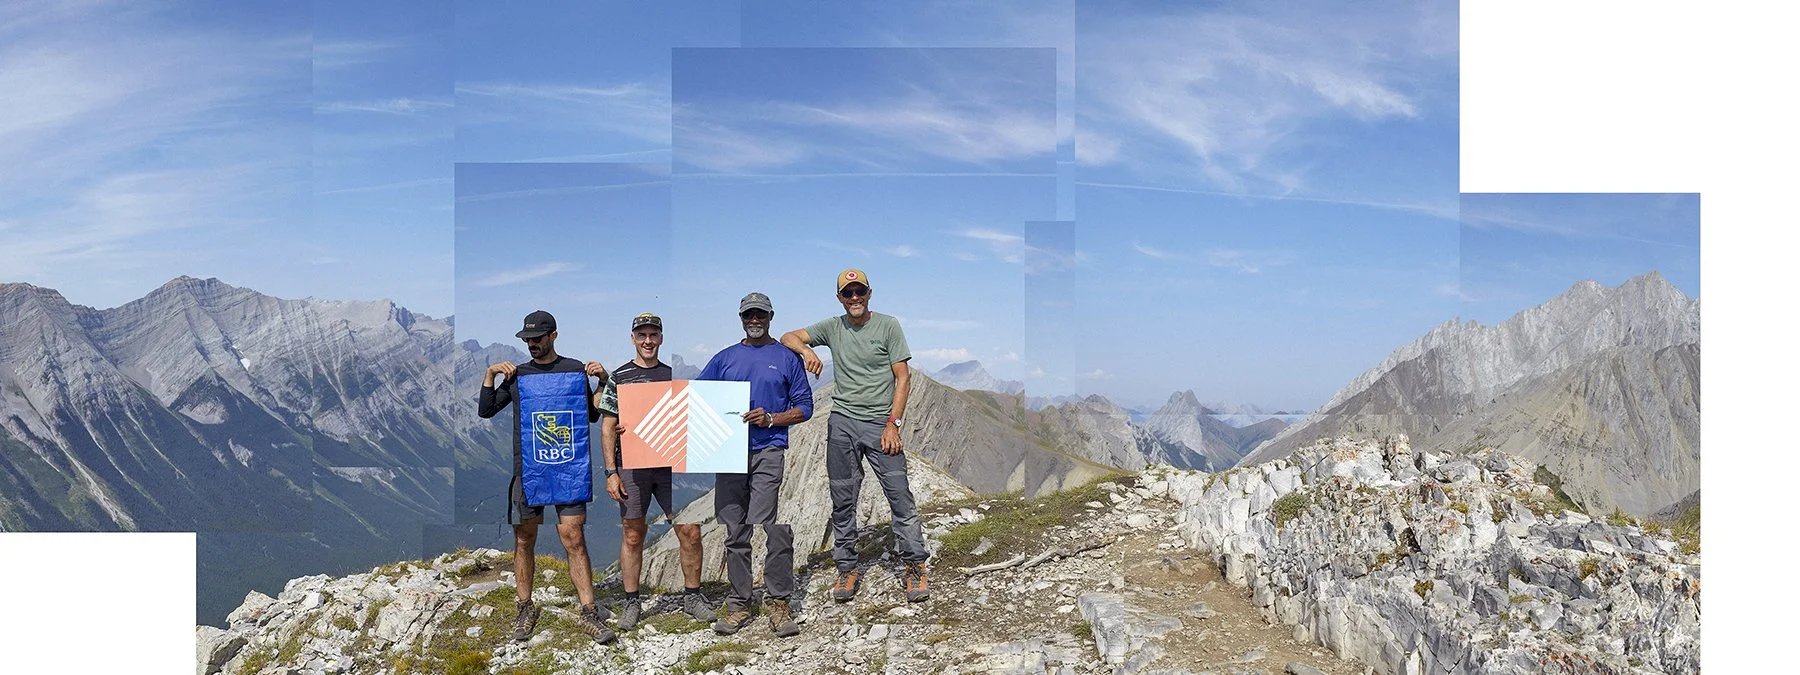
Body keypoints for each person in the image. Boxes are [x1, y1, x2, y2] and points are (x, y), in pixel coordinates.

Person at [779, 269, 930, 603]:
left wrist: (894, 424)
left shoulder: (888, 326)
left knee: (899, 495)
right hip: (842, 423)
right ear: (840, 298)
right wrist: (807, 352)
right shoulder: (833, 327)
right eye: (848, 293)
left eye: (859, 291)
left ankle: (915, 566)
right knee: (843, 500)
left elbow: (902, 378)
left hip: (880, 424)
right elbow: (788, 336)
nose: (854, 298)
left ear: (869, 293)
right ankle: (847, 568)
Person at [477, 310, 615, 644]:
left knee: (574, 538)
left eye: (537, 339)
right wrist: (490, 373)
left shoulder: (573, 370)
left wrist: (603, 380)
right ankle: (524, 607)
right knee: (524, 539)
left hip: (567, 469)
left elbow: (594, 414)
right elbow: (486, 410)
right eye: (527, 340)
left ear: (553, 335)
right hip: (530, 471)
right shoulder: (517, 376)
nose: (531, 345)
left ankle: (589, 611)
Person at [698, 292, 813, 637]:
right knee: (735, 530)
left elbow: (805, 407)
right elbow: (694, 400)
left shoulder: (786, 357)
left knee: (770, 526)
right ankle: (739, 603)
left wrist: (771, 419)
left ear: (770, 316)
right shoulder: (724, 358)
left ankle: (778, 602)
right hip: (728, 454)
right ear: (741, 318)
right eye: (749, 314)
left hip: (769, 450)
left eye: (760, 314)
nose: (755, 319)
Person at [597, 312, 714, 629]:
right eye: (641, 335)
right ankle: (631, 602)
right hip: (633, 465)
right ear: (633, 338)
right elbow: (607, 425)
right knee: (633, 534)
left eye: (653, 335)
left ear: (661, 338)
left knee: (689, 529)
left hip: (673, 466)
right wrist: (611, 471)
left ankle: (692, 597)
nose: (647, 340)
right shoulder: (619, 377)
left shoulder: (674, 375)